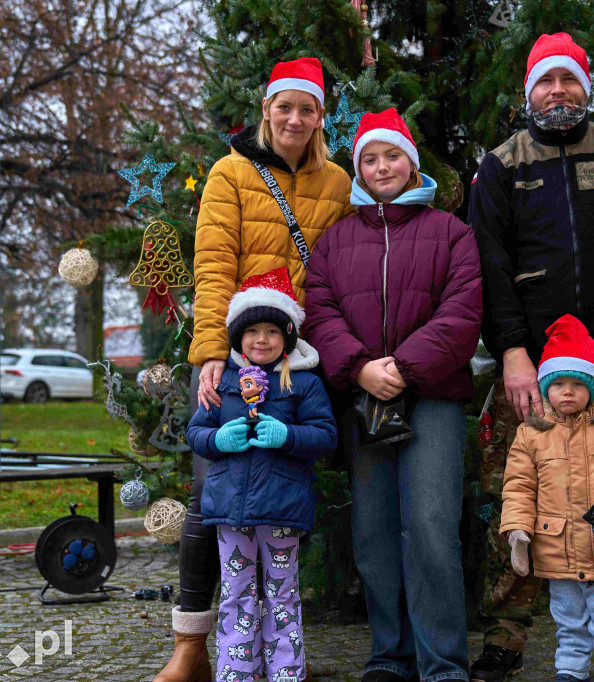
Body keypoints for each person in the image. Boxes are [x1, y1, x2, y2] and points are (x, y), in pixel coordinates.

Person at [468, 33, 594, 682]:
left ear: (585, 86)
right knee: (520, 496)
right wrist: (510, 354)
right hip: (530, 374)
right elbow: (489, 268)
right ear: (529, 91)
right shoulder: (501, 167)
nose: (558, 91)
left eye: (569, 81)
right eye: (545, 82)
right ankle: (505, 640)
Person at [155, 56, 352, 682]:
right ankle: (191, 644)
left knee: (288, 487)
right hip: (233, 353)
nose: (295, 118)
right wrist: (212, 352)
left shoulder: (339, 182)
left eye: (308, 108)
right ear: (267, 110)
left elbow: (339, 273)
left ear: (321, 117)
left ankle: (284, 650)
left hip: (303, 362)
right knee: (212, 492)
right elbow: (213, 266)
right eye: (284, 106)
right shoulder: (231, 172)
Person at [303, 108, 482, 682]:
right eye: (370, 159)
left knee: (430, 525)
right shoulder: (334, 241)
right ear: (357, 169)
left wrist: (402, 368)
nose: (382, 167)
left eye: (392, 156)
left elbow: (462, 313)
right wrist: (360, 370)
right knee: (374, 530)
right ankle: (389, 654)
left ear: (411, 162)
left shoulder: (451, 232)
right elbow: (319, 312)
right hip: (363, 402)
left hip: (432, 398)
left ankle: (443, 661)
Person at [187, 267, 337, 682]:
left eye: (272, 331)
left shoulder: (303, 382)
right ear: (238, 338)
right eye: (252, 332)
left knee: (281, 593)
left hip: (281, 509)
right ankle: (237, 671)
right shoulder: (223, 380)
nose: (261, 340)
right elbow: (196, 432)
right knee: (236, 593)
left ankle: (286, 669)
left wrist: (287, 435)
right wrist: (219, 440)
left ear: (286, 337)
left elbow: (325, 435)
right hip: (230, 509)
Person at [501, 315, 594, 682]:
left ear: (591, 386)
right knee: (568, 619)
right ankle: (570, 671)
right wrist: (518, 531)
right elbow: (518, 487)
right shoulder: (529, 435)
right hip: (557, 548)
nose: (567, 392)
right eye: (558, 384)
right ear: (545, 388)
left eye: (576, 384)